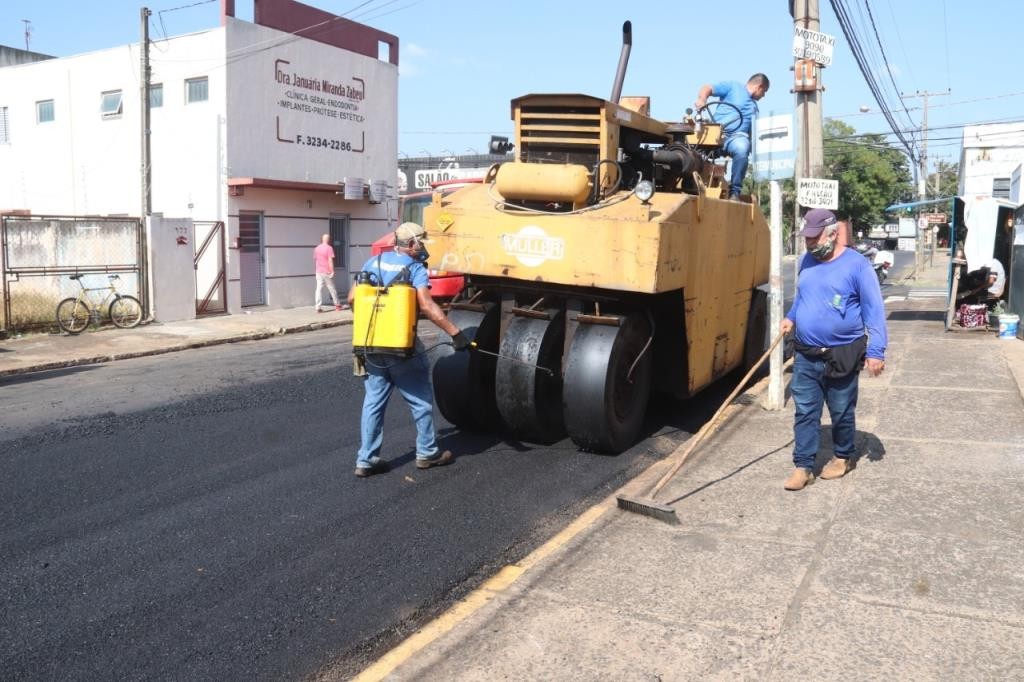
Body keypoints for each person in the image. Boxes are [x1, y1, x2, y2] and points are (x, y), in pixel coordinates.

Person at [347, 221, 471, 478]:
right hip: (402, 347)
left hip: (371, 345)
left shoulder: (373, 263)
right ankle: (427, 453)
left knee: (373, 403)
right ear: (412, 244)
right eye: (421, 241)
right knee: (420, 400)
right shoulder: (414, 268)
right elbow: (426, 305)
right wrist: (455, 333)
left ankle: (366, 460)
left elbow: (351, 299)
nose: (423, 246)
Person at [779, 209, 888, 491]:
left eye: (814, 238)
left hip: (843, 353)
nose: (810, 244)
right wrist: (791, 316)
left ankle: (842, 456)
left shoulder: (857, 266)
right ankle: (803, 466)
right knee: (804, 410)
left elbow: (874, 311)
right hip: (806, 352)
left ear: (833, 233)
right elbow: (803, 295)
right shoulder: (807, 261)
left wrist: (876, 351)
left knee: (841, 410)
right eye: (807, 239)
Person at [693, 73, 770, 200]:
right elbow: (707, 88)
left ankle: (735, 192)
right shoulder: (734, 87)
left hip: (735, 138)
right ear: (759, 87)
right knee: (691, 146)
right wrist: (702, 100)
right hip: (716, 134)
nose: (763, 95)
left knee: (742, 148)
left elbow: (752, 134)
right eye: (764, 91)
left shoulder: (755, 108)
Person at [314, 234, 343, 312]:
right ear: (328, 240)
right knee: (332, 288)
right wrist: (332, 271)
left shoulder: (317, 248)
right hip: (326, 272)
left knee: (318, 289)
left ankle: (318, 307)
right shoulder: (329, 248)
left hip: (318, 271)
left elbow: (316, 260)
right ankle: (337, 305)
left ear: (322, 239)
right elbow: (330, 260)